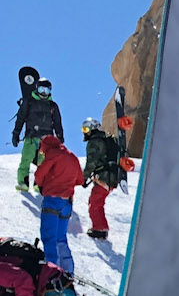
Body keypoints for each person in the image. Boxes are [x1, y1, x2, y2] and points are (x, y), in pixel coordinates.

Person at [33, 130, 83, 279]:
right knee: (61, 238)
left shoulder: (53, 155)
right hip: (67, 203)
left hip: (52, 201)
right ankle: (68, 273)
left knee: (49, 238)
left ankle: (51, 274)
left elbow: (39, 175)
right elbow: (80, 179)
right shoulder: (72, 156)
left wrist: (43, 184)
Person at [81, 115, 133, 239]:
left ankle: (100, 229)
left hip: (103, 177)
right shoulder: (107, 139)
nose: (85, 133)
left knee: (95, 203)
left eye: (86, 129)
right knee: (97, 202)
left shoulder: (94, 142)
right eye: (83, 130)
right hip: (112, 176)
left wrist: (84, 177)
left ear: (93, 129)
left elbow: (91, 162)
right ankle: (101, 227)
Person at [13, 68, 62, 194]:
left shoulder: (52, 106)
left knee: (44, 163)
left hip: (47, 139)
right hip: (31, 136)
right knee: (26, 158)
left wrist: (60, 137)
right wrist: (16, 133)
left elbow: (57, 122)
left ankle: (39, 184)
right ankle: (23, 182)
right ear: (36, 89)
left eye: (46, 90)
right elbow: (21, 118)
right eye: (41, 90)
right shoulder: (29, 102)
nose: (44, 93)